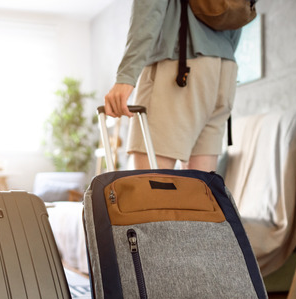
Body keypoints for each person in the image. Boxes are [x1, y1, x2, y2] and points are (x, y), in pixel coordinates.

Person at [103, 0, 241, 171]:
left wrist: (126, 76)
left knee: (150, 187)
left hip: (180, 64)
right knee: (200, 189)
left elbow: (149, 9)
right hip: (224, 70)